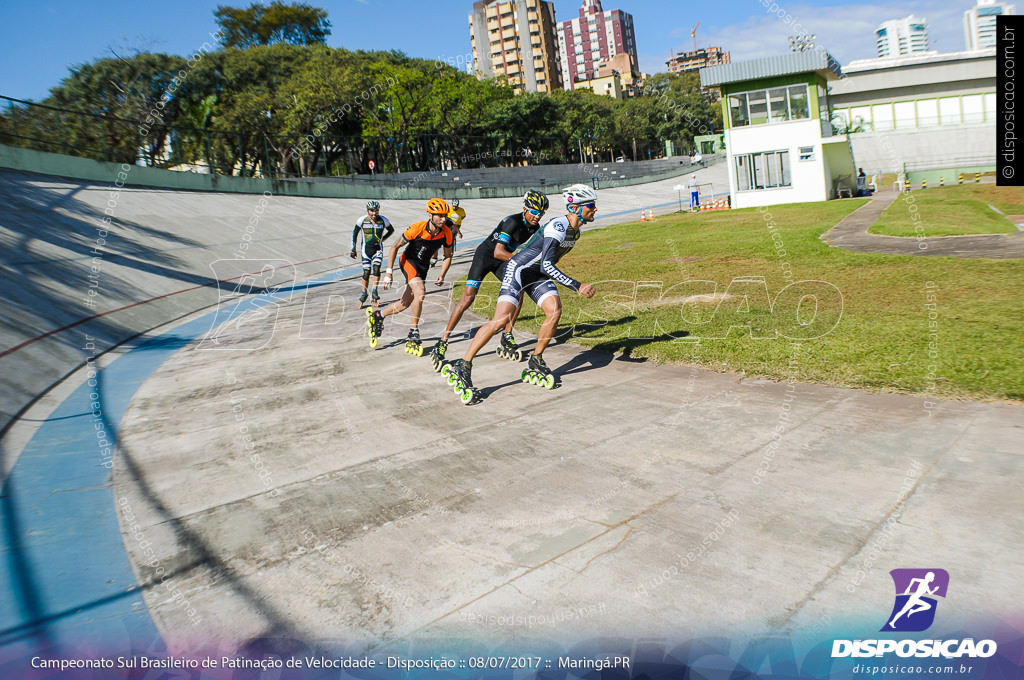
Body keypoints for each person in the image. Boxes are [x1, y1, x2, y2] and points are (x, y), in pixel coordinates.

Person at [443, 184, 598, 404]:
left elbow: (544, 266)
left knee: (554, 311)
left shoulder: (576, 232)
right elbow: (547, 265)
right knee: (500, 321)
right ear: (575, 208)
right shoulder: (558, 226)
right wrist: (577, 285)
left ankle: (536, 359)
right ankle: (464, 363)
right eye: (591, 205)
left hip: (537, 274)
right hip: (519, 271)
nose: (595, 209)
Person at [429, 190, 549, 370]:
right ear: (525, 208)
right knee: (468, 299)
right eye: (534, 211)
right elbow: (497, 252)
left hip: (502, 260)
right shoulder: (512, 222)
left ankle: (507, 335)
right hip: (486, 256)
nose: (537, 216)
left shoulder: (533, 227)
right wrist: (519, 259)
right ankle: (443, 341)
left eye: (541, 213)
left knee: (520, 289)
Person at [367, 198, 454, 353]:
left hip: (423, 267)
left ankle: (379, 315)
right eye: (439, 215)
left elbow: (447, 256)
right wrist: (388, 272)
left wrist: (442, 273)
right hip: (409, 261)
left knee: (406, 303)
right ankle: (413, 332)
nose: (443, 219)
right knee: (420, 292)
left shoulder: (446, 232)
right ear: (430, 215)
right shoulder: (417, 228)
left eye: (445, 215)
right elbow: (394, 246)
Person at [350, 200, 394, 307]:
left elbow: (391, 230)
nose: (374, 213)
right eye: (372, 211)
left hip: (378, 249)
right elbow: (355, 234)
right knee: (366, 272)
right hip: (366, 250)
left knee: (376, 269)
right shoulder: (362, 220)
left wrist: (382, 239)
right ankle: (364, 293)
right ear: (367, 211)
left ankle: (374, 291)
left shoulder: (383, 220)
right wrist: (353, 248)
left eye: (376, 211)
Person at [433, 198, 465, 267]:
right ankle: (434, 258)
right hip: (442, 229)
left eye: (456, 206)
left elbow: (456, 225)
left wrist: (459, 233)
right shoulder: (446, 211)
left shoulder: (459, 212)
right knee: (435, 243)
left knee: (450, 238)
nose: (454, 207)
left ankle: (447, 253)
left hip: (454, 226)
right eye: (453, 206)